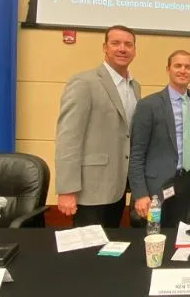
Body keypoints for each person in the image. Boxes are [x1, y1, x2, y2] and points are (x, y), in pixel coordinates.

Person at [54, 25, 141, 227]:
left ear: (134, 50)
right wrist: (67, 189)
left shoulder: (134, 87)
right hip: (89, 190)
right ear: (104, 47)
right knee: (88, 245)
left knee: (111, 242)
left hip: (118, 188)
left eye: (128, 44)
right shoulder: (84, 82)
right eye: (116, 43)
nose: (122, 49)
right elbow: (68, 138)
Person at [128, 50, 190, 227]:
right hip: (155, 188)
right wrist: (140, 193)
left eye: (188, 67)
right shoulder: (149, 105)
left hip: (185, 184)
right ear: (168, 69)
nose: (183, 70)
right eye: (178, 66)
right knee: (152, 235)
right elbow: (136, 153)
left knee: (178, 235)